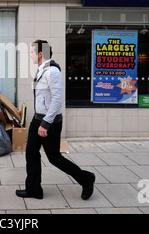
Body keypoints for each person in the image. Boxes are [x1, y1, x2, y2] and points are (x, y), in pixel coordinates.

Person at [16, 40, 95, 200]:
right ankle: (33, 189)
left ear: (40, 54)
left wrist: (46, 122)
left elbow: (58, 99)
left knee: (54, 158)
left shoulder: (53, 72)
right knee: (31, 153)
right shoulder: (41, 71)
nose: (30, 55)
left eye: (32, 52)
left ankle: (86, 178)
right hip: (37, 120)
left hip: (49, 122)